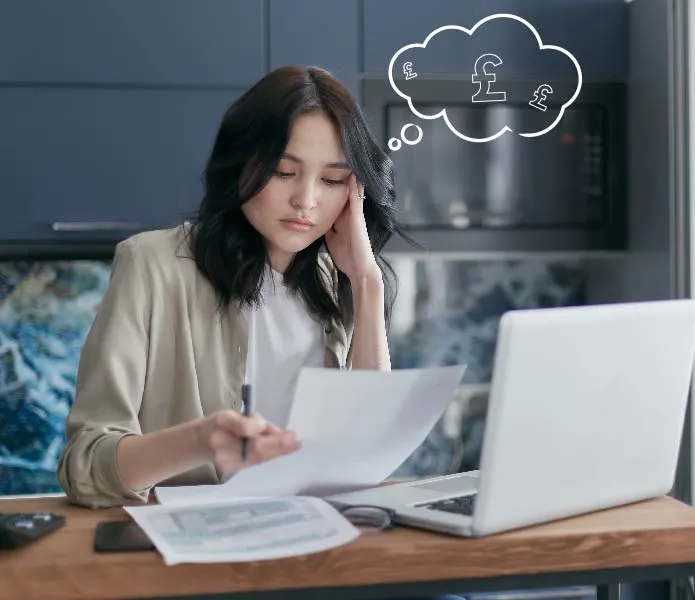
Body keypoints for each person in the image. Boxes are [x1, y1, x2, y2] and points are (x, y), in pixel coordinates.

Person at [56, 65, 464, 600]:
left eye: (334, 180)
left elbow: (367, 451)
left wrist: (365, 283)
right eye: (284, 171)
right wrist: (200, 440)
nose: (307, 201)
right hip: (194, 570)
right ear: (242, 165)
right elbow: (85, 466)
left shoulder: (335, 280)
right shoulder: (153, 264)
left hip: (317, 553)